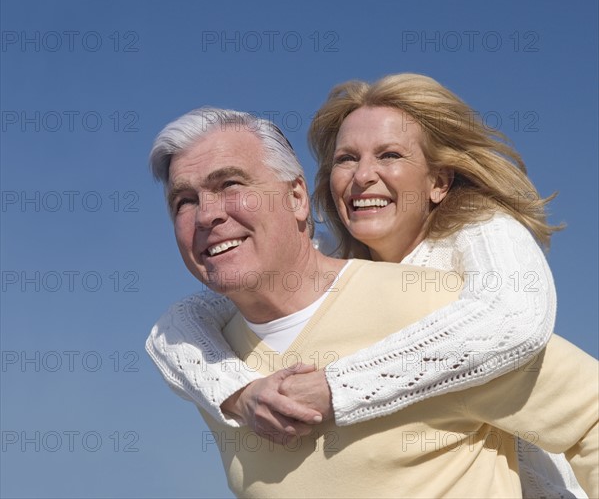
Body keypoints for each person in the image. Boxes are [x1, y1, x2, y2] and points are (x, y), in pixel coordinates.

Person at [145, 75, 578, 495]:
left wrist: (336, 387)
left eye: (389, 155)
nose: (362, 176)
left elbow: (513, 318)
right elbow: (179, 325)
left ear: (438, 181)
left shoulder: (478, 239)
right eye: (346, 159)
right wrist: (237, 393)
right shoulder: (337, 259)